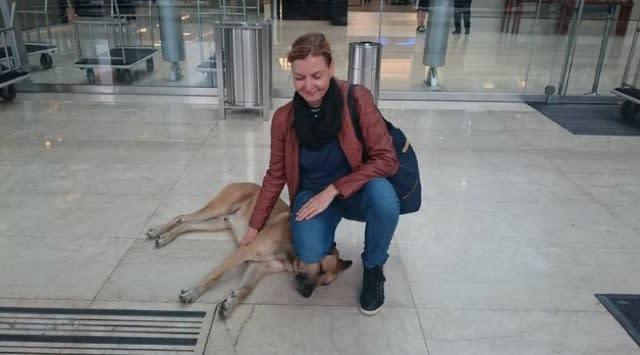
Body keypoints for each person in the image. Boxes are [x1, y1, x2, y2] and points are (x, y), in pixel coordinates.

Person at [240, 33, 400, 316]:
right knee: (310, 253)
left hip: (356, 189)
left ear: (331, 68)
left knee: (385, 199)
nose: (309, 86)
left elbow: (387, 159)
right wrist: (254, 226)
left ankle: (374, 268)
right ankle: (326, 242)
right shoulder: (284, 118)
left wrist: (334, 189)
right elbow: (275, 175)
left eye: (317, 75)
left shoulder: (356, 99)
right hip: (311, 194)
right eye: (300, 78)